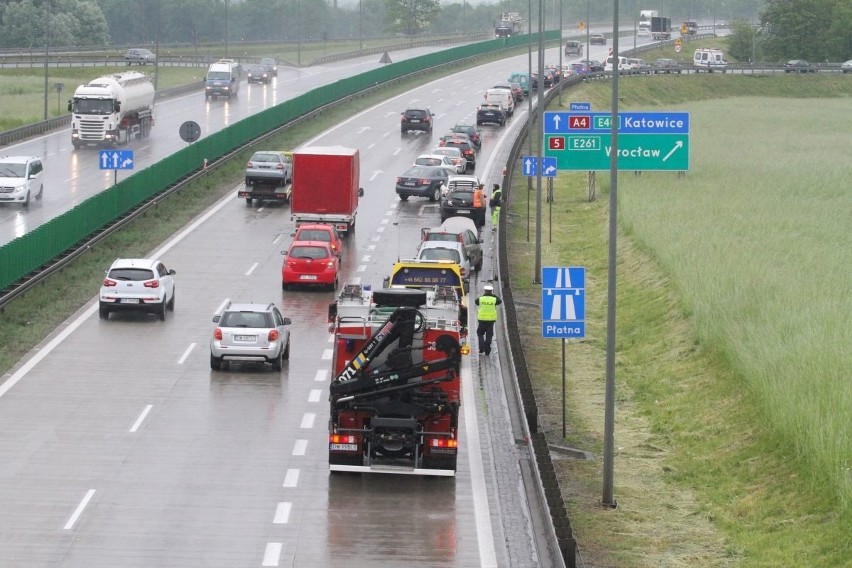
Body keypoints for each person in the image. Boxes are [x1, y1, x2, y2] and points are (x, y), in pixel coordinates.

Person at [475, 284, 502, 355]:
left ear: (485, 291)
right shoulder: (494, 299)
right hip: (490, 321)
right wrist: (493, 295)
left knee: (480, 334)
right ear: (491, 291)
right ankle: (487, 350)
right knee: (489, 335)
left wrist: (484, 295)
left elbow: (476, 302)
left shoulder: (481, 299)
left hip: (482, 320)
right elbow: (500, 301)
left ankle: (481, 347)